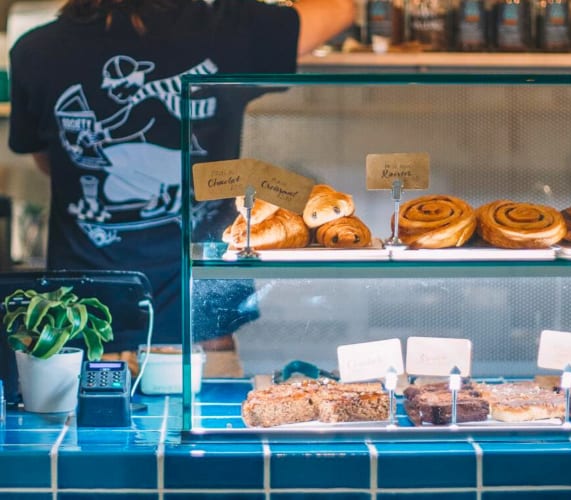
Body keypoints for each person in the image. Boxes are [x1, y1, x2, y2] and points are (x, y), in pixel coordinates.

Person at [7, 0, 355, 374]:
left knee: (80, 434)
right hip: (201, 332)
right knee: (207, 426)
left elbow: (51, 163)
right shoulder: (229, 29)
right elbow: (340, 10)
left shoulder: (36, 50)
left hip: (81, 327)